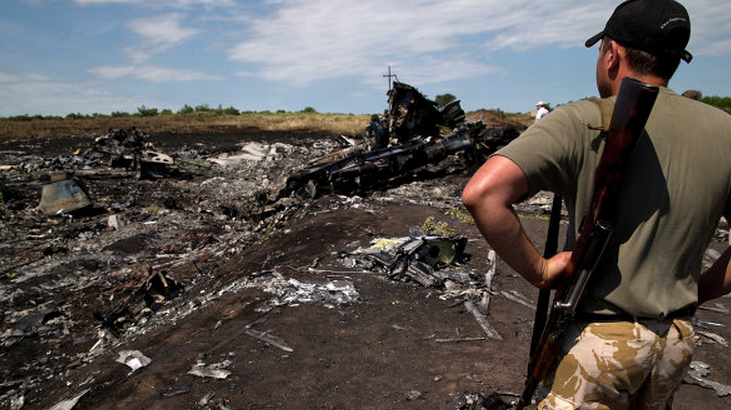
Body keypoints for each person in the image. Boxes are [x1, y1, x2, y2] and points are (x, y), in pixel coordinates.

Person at [462, 1, 731, 409]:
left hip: (600, 342)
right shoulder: (724, 129)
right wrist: (696, 290)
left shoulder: (585, 118)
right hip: (676, 343)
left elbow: (483, 193)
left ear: (612, 53)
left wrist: (540, 270)